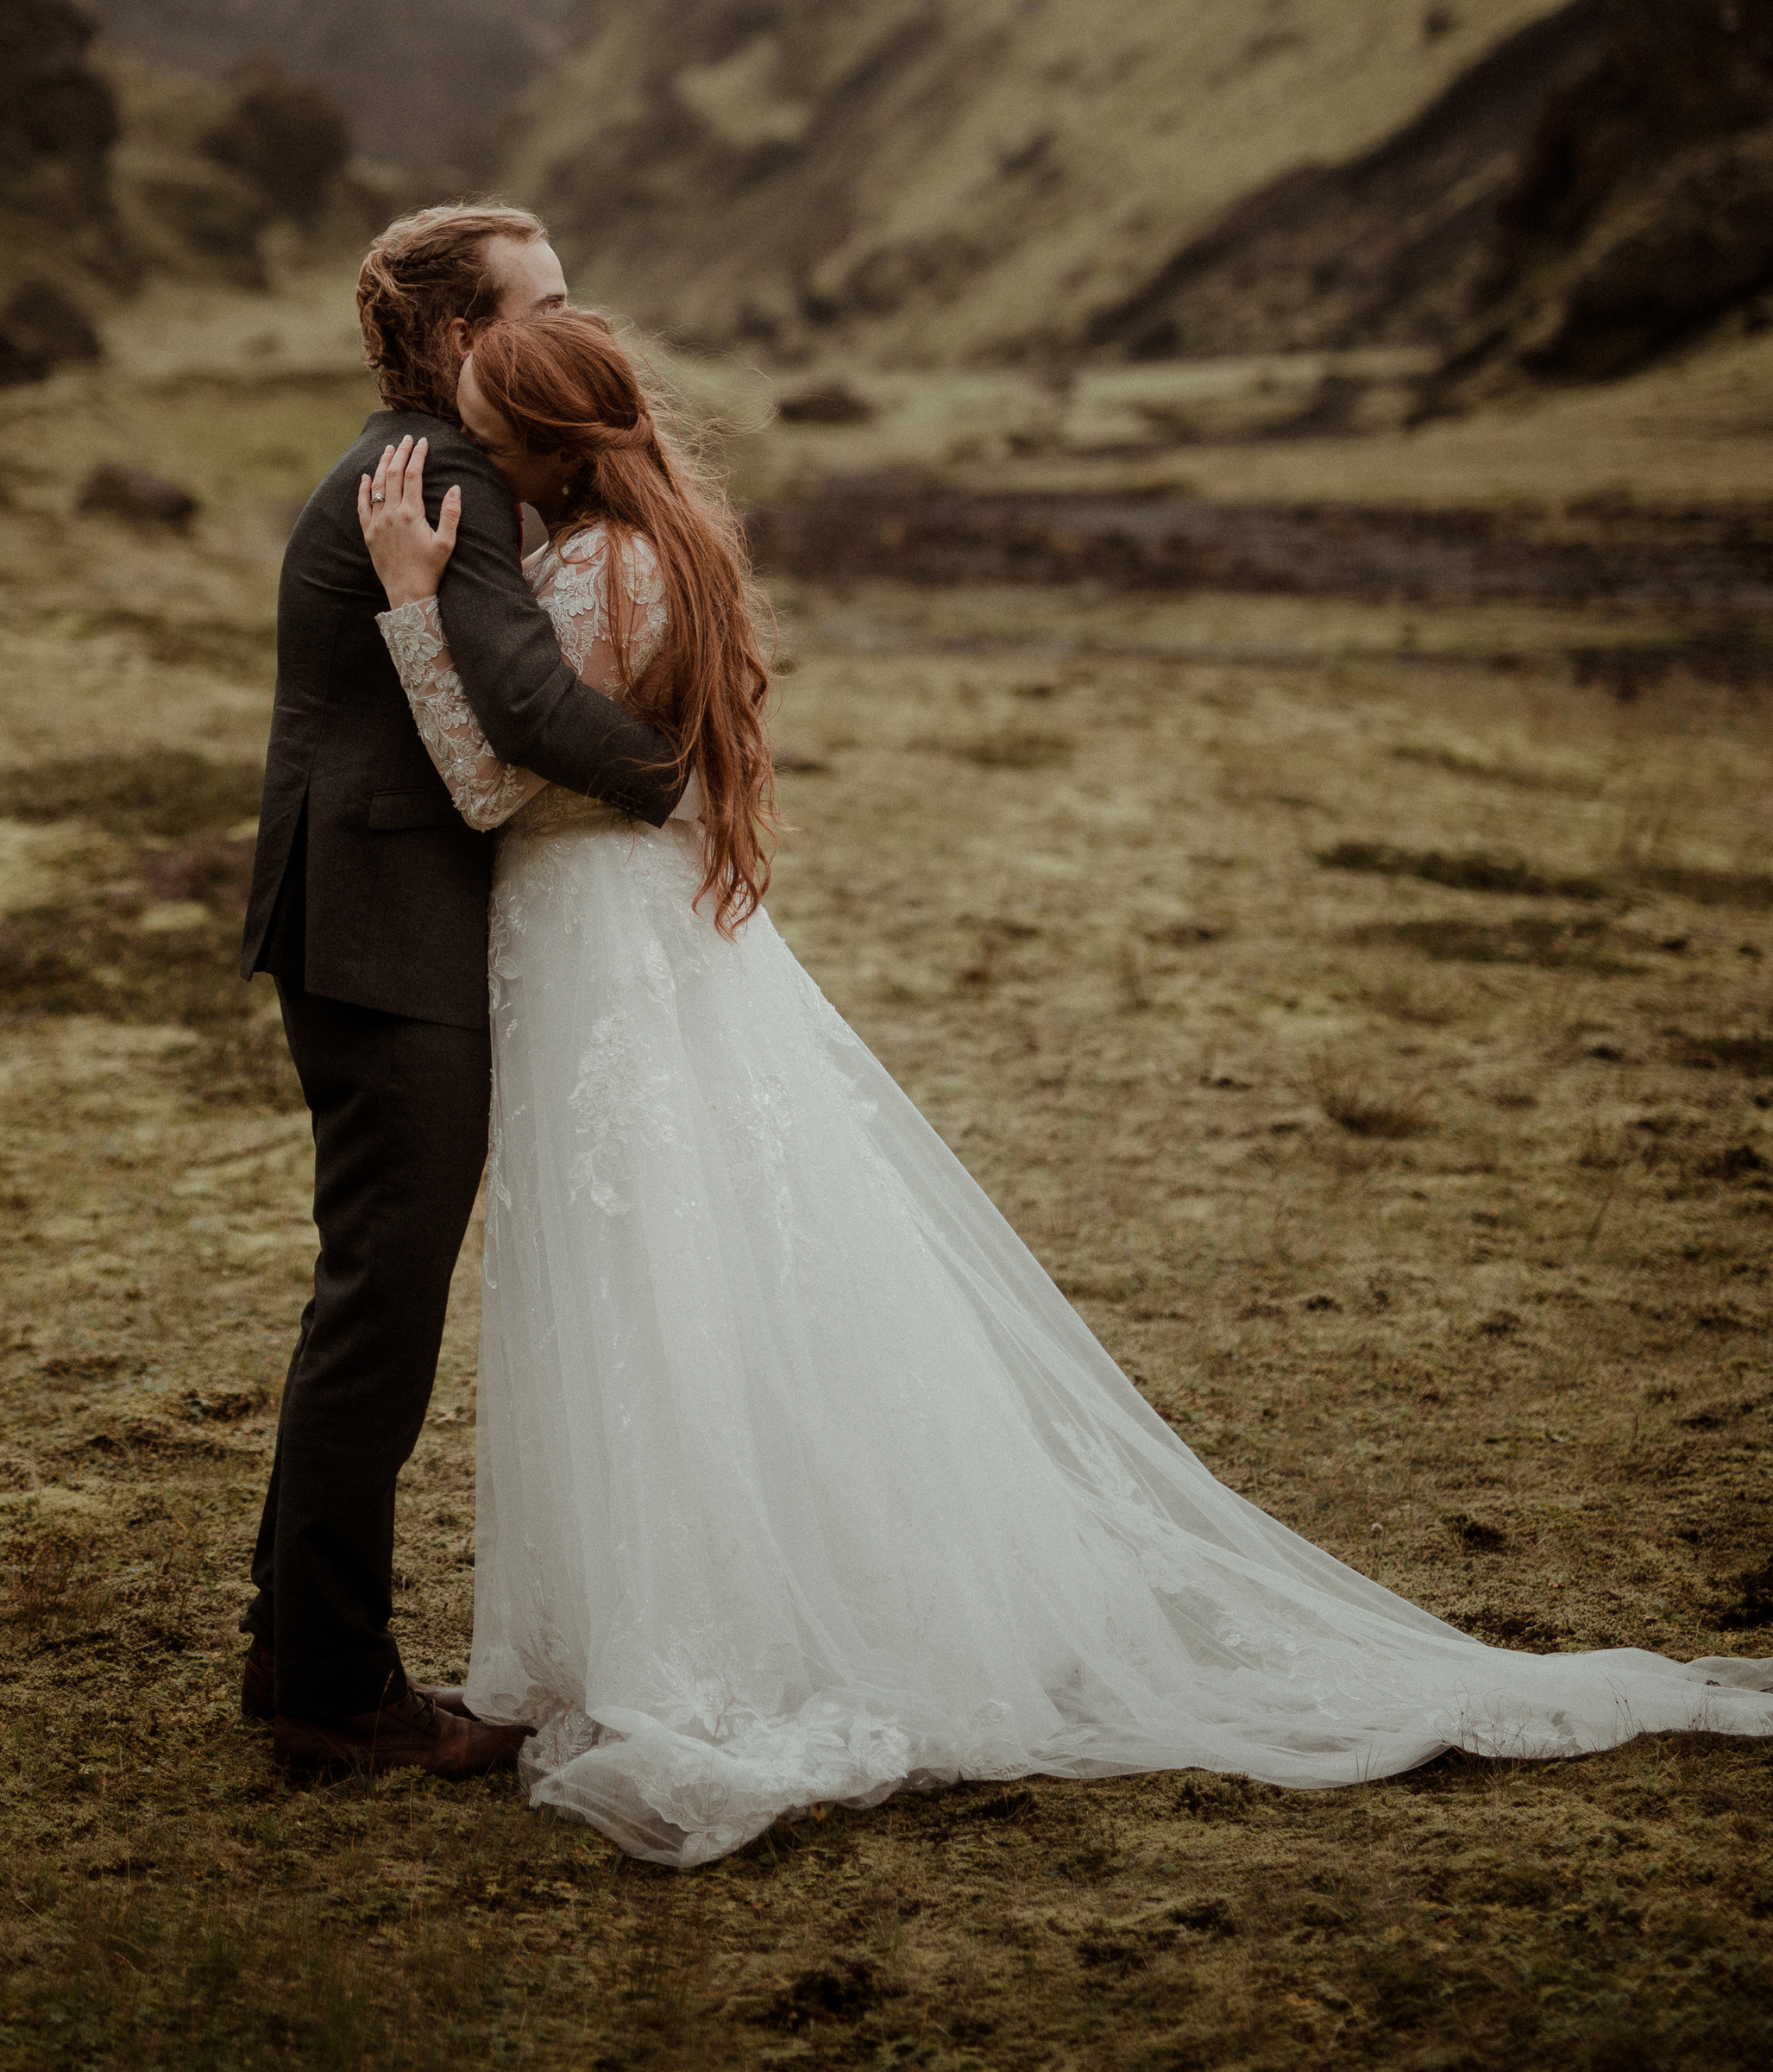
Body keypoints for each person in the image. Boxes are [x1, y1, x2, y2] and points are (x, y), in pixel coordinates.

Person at [359, 303, 1773, 1870]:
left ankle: (695, 1649)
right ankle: (656, 1623)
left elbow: (491, 779)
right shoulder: (659, 541)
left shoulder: (583, 569)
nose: (471, 453)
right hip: (624, 950)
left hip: (599, 953)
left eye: (489, 430)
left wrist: (418, 604)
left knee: (641, 1280)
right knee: (672, 1274)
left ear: (541, 447)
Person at [236, 206, 682, 1783]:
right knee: (381, 1302)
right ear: (451, 337)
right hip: (380, 931)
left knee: (367, 1289)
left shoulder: (432, 463)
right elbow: (527, 705)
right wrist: (689, 779)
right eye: (541, 300)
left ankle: (297, 1643)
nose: (578, 318)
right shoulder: (441, 478)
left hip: (369, 919)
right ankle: (337, 1696)